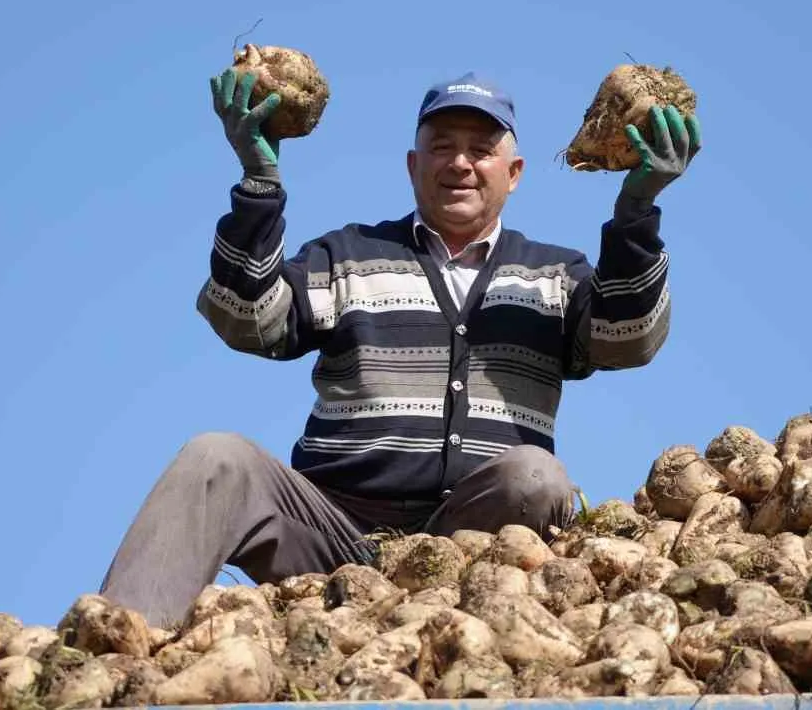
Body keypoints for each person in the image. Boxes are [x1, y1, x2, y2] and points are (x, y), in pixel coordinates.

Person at [97, 67, 700, 626]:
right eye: (442, 146)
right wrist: (259, 184)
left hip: (477, 542)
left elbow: (626, 339)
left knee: (536, 477)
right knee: (215, 456)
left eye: (482, 150)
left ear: (513, 174)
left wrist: (636, 211)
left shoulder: (555, 275)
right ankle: (113, 646)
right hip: (330, 533)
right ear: (413, 166)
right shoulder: (348, 255)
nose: (460, 163)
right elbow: (248, 319)